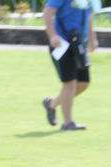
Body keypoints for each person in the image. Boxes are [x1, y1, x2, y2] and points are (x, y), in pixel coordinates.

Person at [42, 0, 98, 131]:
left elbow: (88, 16)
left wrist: (92, 38)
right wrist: (52, 36)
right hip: (62, 44)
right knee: (70, 84)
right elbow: (48, 12)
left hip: (79, 45)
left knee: (83, 83)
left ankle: (51, 104)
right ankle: (68, 123)